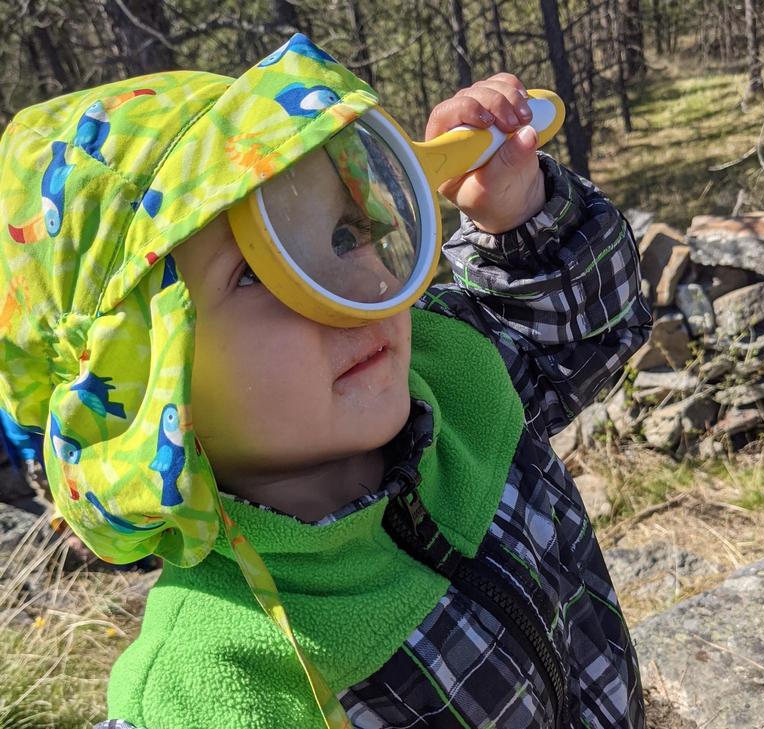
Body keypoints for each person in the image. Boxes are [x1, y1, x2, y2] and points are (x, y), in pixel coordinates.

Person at [0, 34, 651, 729]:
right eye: (256, 272)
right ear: (140, 378)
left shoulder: (448, 374)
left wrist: (516, 214)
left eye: (345, 234)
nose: (357, 288)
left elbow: (576, 326)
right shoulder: (218, 679)